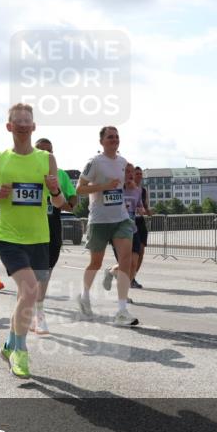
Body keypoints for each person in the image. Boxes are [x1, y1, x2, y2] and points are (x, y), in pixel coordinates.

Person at [0, 103, 66, 378]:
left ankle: (10, 343)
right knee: (29, 292)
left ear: (34, 126)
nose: (24, 124)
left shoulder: (47, 160)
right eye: (18, 121)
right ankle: (21, 353)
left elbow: (61, 202)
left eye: (28, 120)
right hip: (9, 237)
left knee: (24, 298)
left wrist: (55, 190)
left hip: (39, 239)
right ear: (9, 127)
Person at [76, 126, 138, 326]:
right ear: (101, 141)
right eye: (110, 137)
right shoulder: (94, 162)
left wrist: (128, 185)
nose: (114, 140)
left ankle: (121, 310)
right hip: (99, 219)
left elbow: (121, 185)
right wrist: (104, 186)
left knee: (126, 260)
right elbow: (80, 189)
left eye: (117, 137)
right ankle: (84, 296)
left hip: (120, 218)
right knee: (96, 262)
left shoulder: (122, 162)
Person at [32, 137, 77, 334]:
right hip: (30, 229)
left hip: (52, 228)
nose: (46, 155)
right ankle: (35, 311)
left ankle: (37, 307)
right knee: (31, 272)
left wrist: (70, 204)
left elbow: (73, 196)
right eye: (41, 151)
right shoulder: (27, 172)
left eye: (49, 151)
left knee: (46, 270)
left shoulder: (60, 174)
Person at [102, 163, 143, 302]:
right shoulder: (116, 188)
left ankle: (111, 271)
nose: (130, 174)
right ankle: (123, 296)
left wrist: (141, 210)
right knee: (127, 262)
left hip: (133, 229)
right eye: (127, 171)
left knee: (134, 263)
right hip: (118, 230)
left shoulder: (137, 190)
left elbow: (139, 207)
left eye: (132, 172)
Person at [131, 166, 151, 288]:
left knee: (141, 251)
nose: (139, 176)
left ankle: (133, 277)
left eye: (140, 174)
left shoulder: (143, 191)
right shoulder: (127, 188)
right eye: (137, 173)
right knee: (134, 253)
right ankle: (128, 277)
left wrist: (148, 211)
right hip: (130, 221)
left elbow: (145, 206)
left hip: (140, 221)